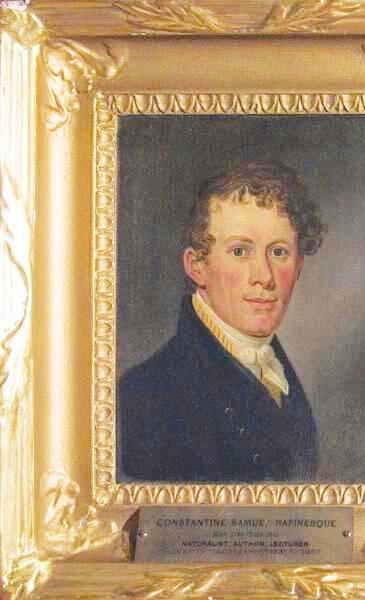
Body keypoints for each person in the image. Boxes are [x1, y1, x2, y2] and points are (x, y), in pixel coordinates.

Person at [118, 160, 324, 482]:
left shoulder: (276, 371)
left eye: (279, 252)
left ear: (298, 266)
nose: (264, 276)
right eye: (240, 251)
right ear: (197, 266)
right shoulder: (146, 395)